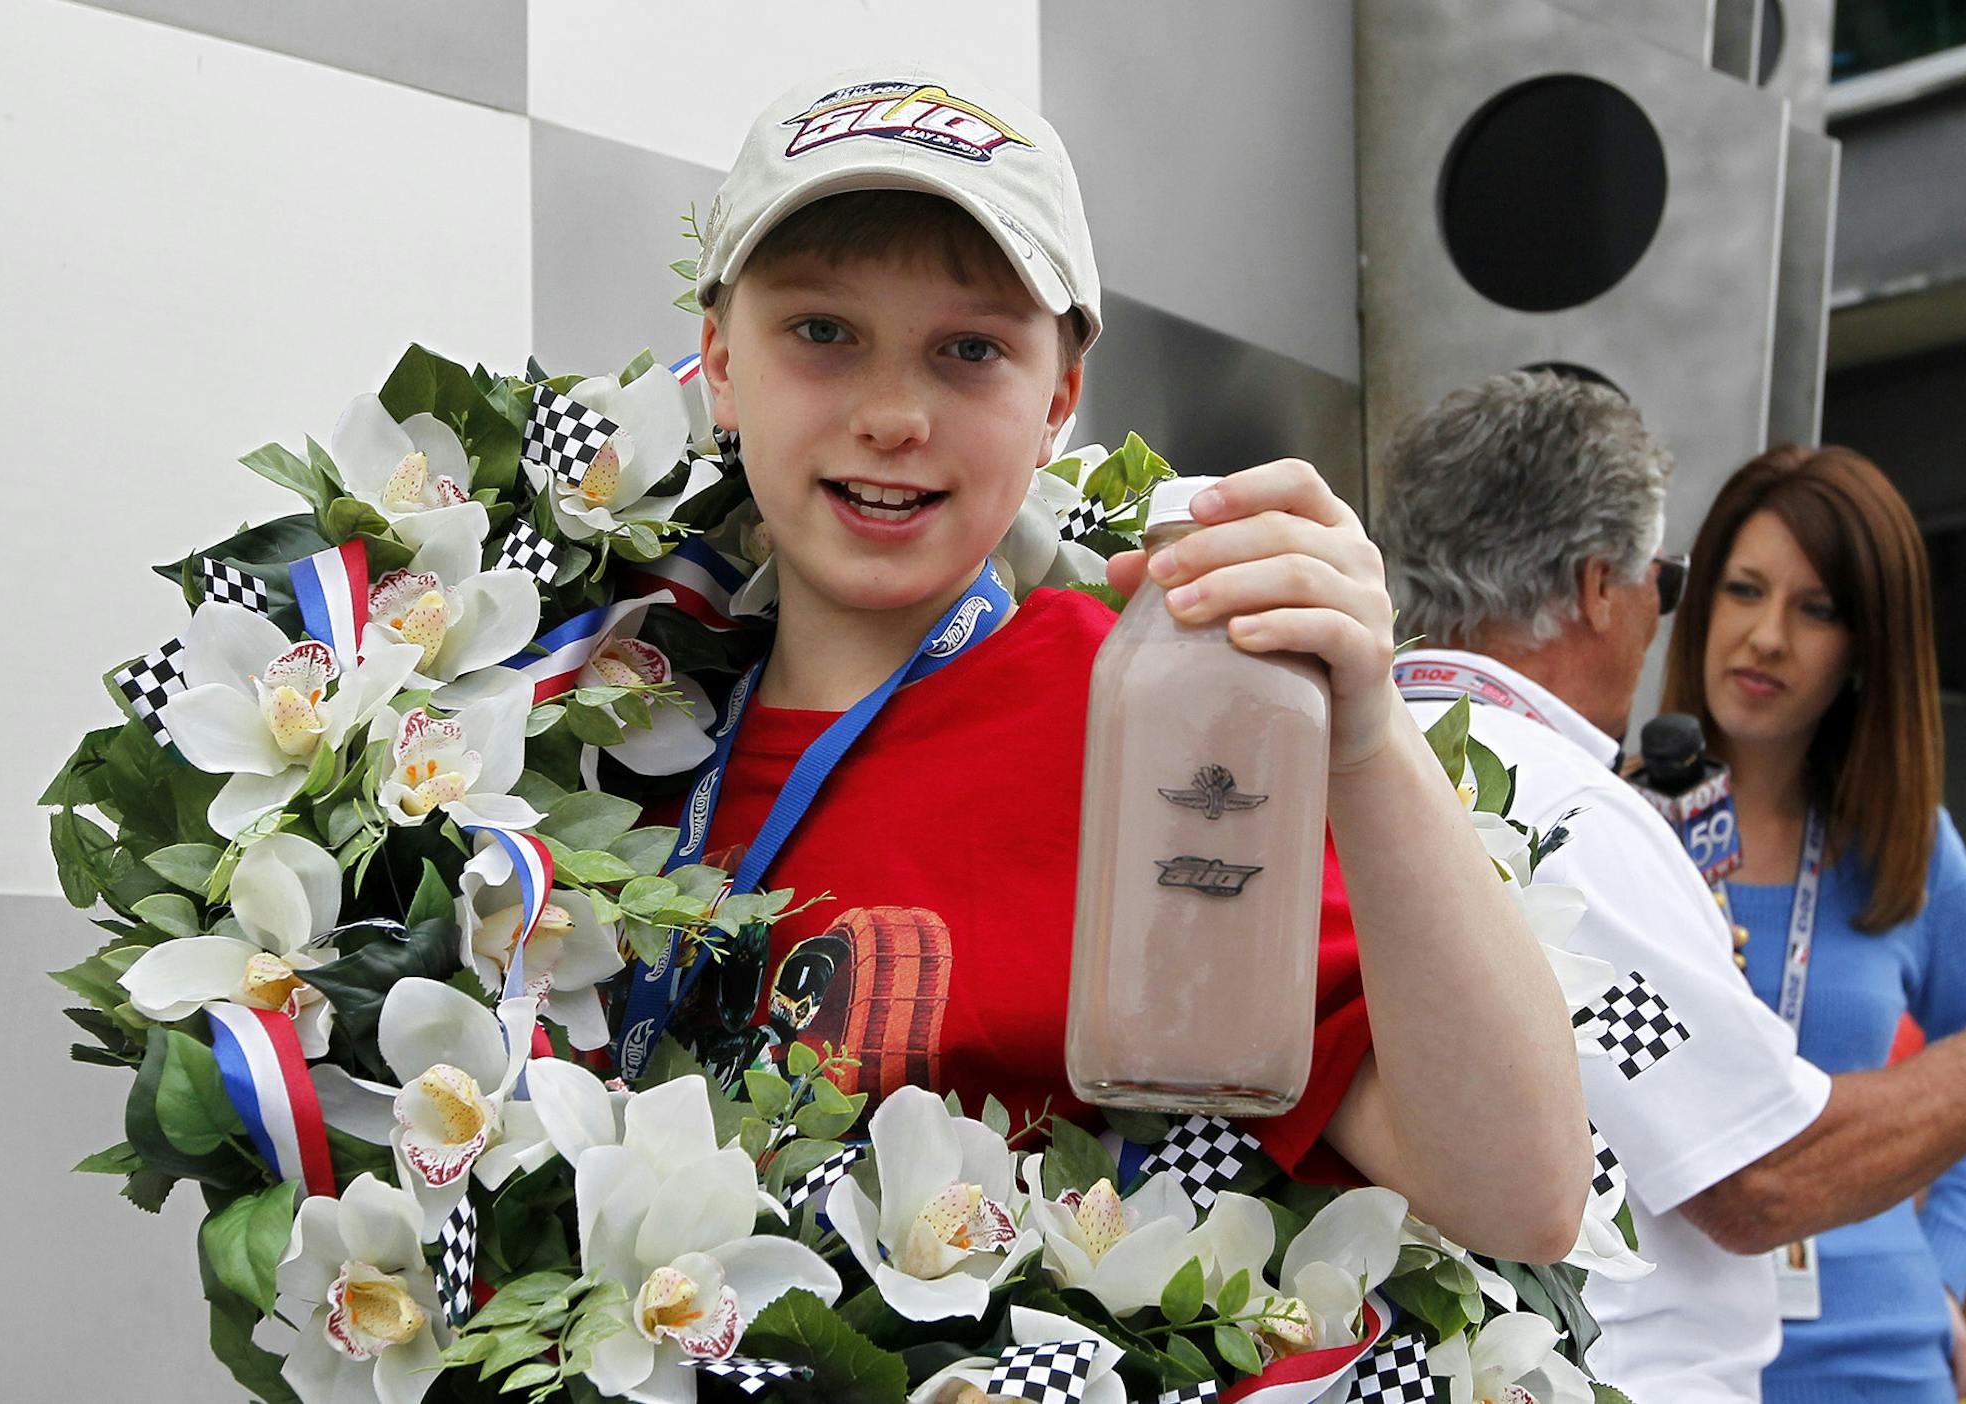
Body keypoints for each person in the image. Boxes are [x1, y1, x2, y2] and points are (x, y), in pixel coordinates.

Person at [658, 66, 1591, 1260]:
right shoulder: (589, 710)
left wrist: (1365, 736)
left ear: (1059, 401)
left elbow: (1519, 1196)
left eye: (970, 349)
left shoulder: (1155, 720)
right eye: (823, 333)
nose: (893, 414)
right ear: (721, 362)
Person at [1376, 370, 1966, 1402]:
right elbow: (1760, 1178)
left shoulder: (1351, 758)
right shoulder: (1569, 815)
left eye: (1817, 608)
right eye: (1673, 587)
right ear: (1597, 587)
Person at [1660, 445, 1966, 1403]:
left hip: (1880, 1358)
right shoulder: (1614, 823)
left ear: (1865, 650)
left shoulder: (1907, 845)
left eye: (1816, 610)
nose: (1767, 636)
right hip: (1660, 1355)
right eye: (1744, 590)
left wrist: (1945, 1265)